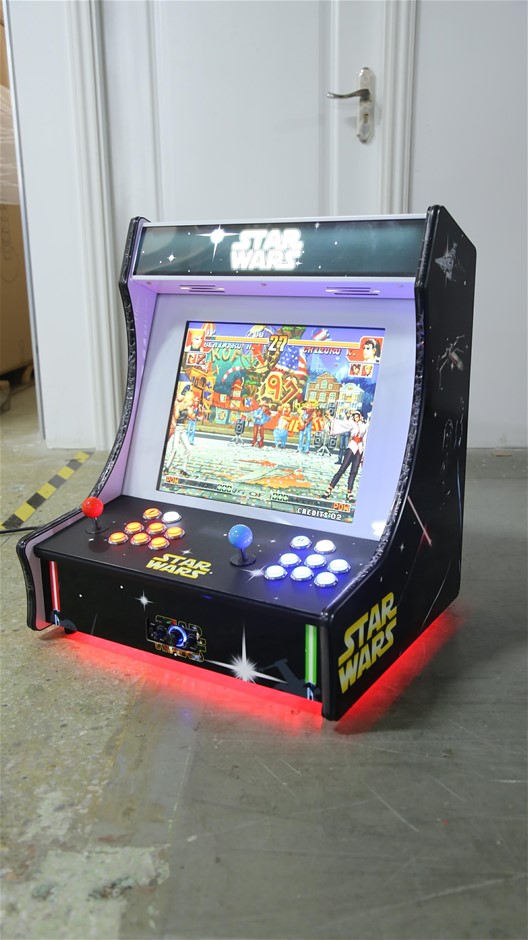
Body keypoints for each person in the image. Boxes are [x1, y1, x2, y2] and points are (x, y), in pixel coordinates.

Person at [322, 412, 366, 501]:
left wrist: (364, 454)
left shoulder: (365, 425)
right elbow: (341, 424)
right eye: (355, 417)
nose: (356, 418)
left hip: (360, 448)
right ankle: (329, 489)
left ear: (360, 417)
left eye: (357, 416)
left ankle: (349, 493)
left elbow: (365, 438)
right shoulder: (351, 423)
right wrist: (330, 418)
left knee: (354, 472)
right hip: (352, 447)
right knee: (342, 469)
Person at [165, 388, 194, 476]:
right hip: (177, 428)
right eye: (191, 399)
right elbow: (176, 417)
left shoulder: (188, 407)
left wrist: (189, 408)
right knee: (174, 449)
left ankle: (183, 469)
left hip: (182, 429)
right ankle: (167, 467)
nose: (192, 401)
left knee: (188, 449)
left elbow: (191, 416)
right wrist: (179, 409)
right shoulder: (179, 405)